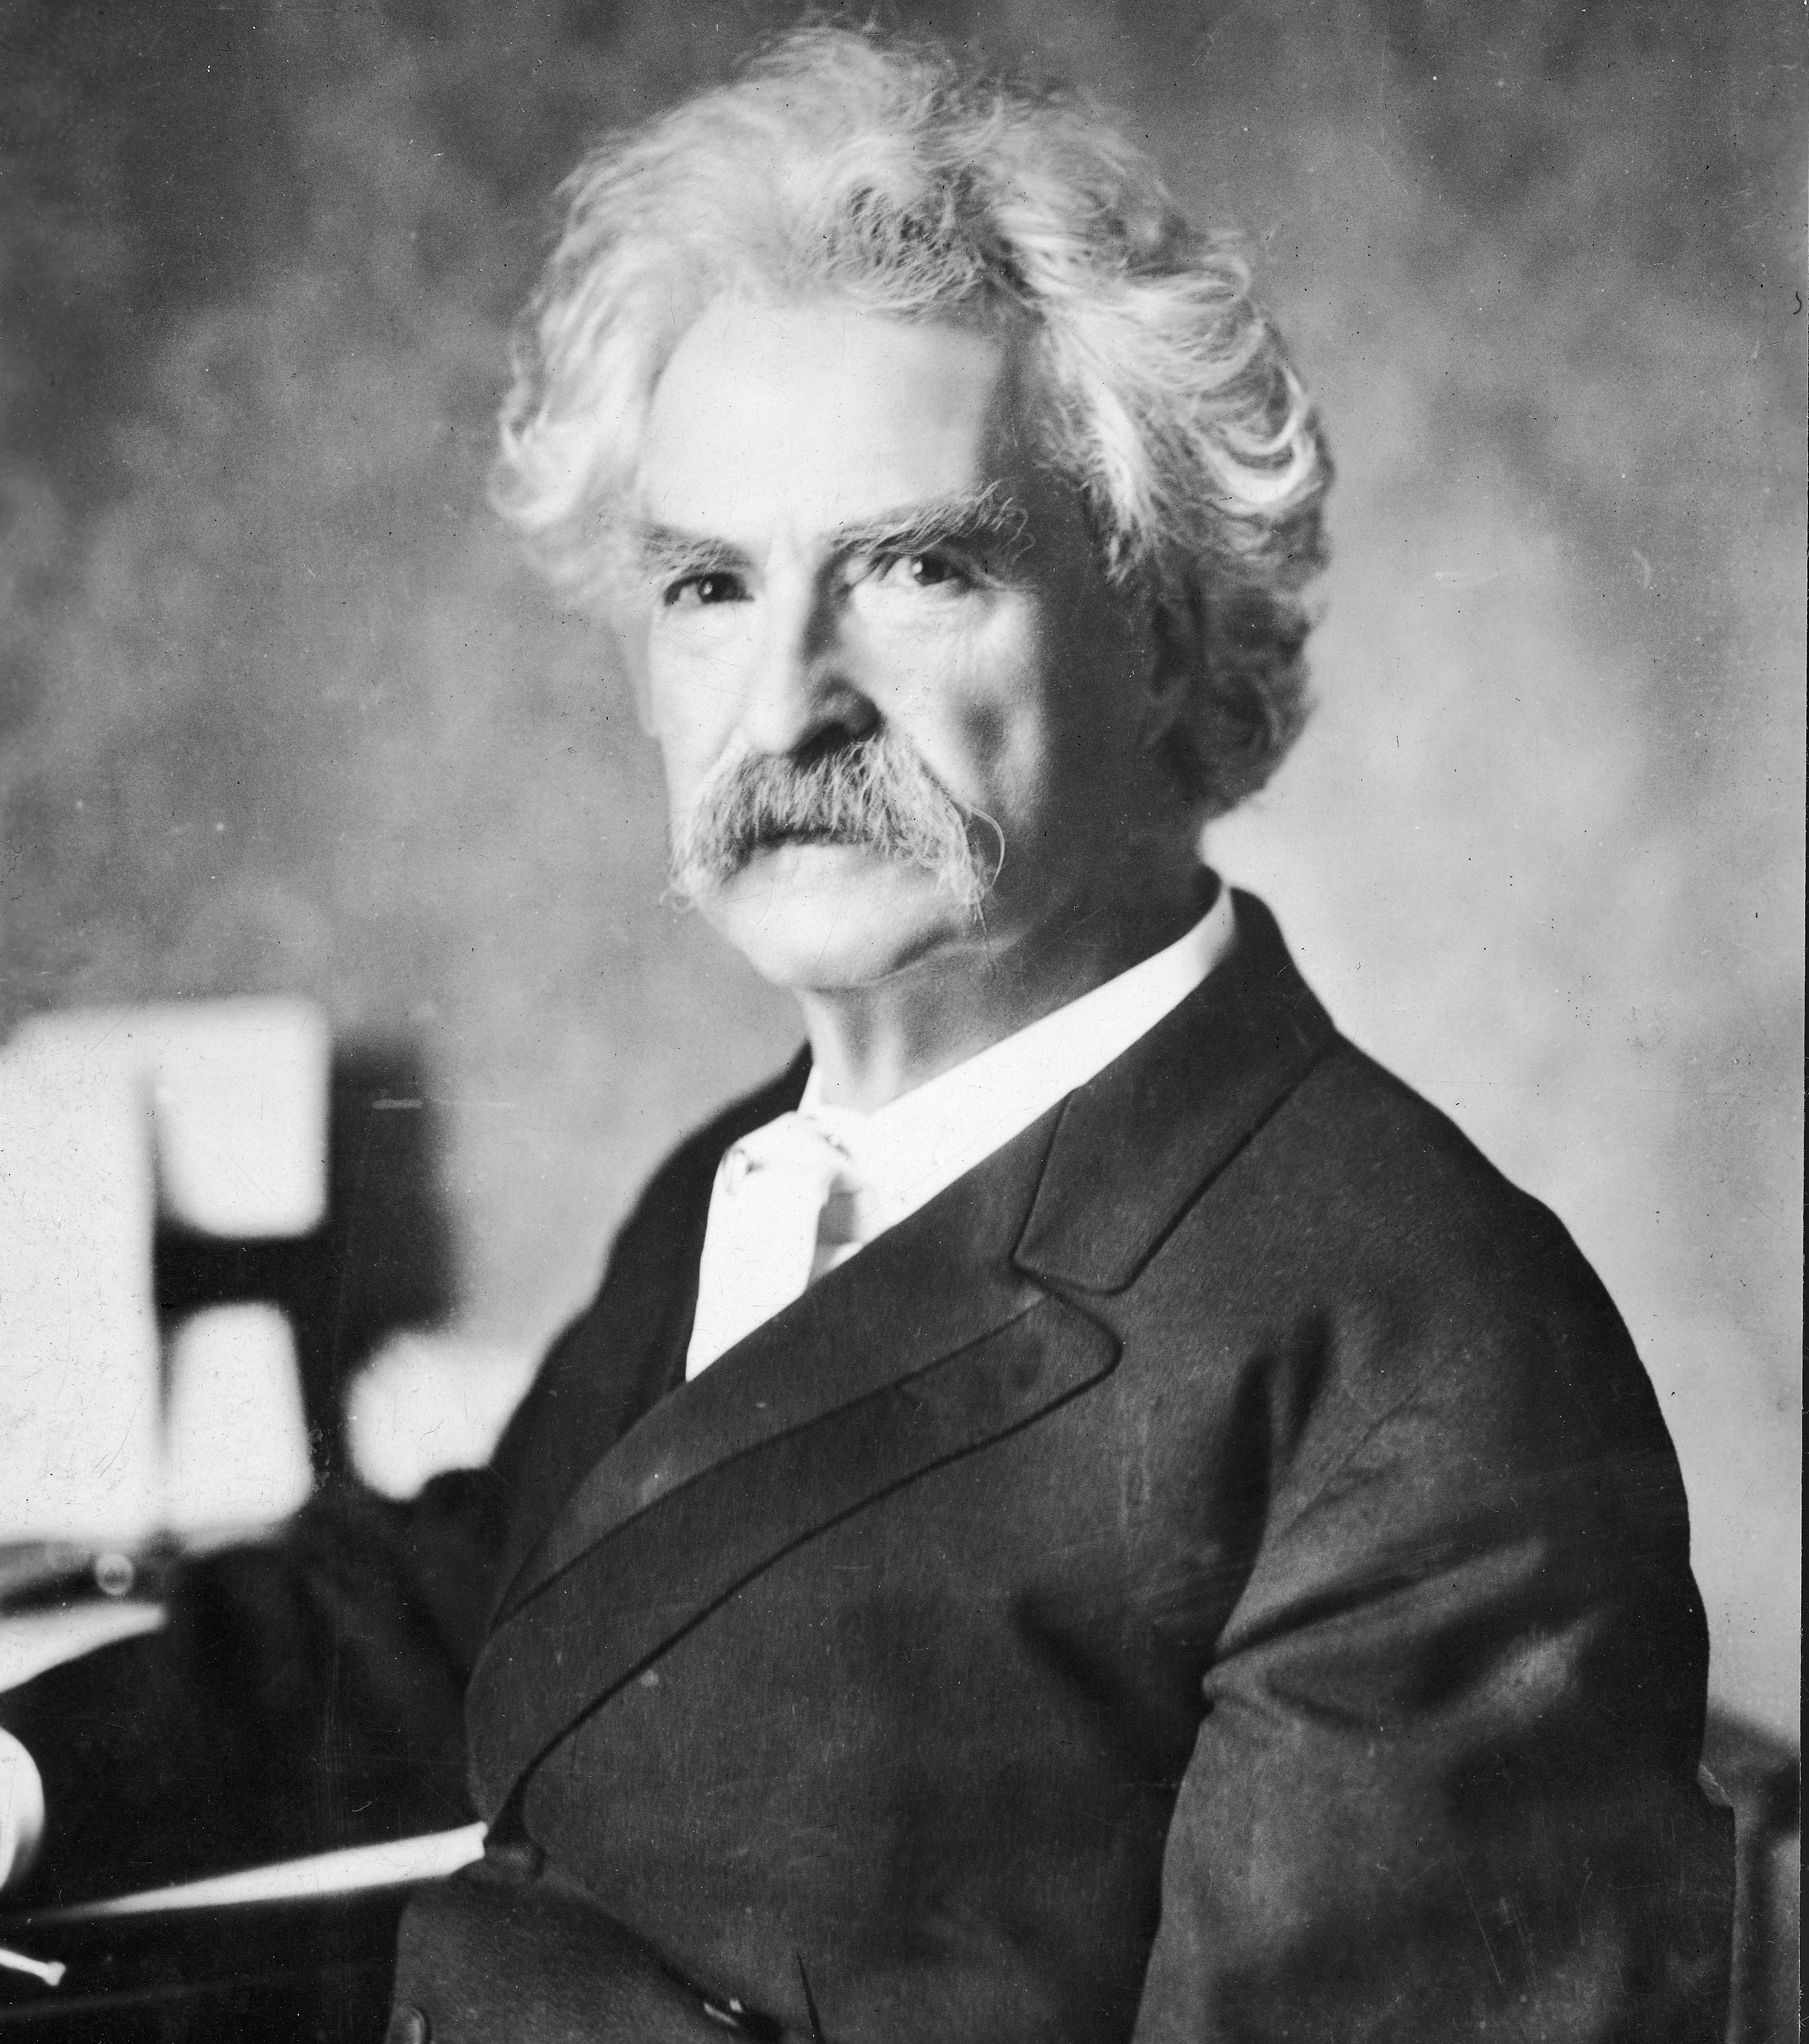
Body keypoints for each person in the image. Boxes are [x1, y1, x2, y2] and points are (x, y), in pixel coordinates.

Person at [2, 24, 1734, 2042]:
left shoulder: (1426, 1353)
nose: (785, 704)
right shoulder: (760, 1165)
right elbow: (506, 1593)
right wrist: (27, 1769)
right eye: (708, 587)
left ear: (1163, 624)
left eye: (916, 566)